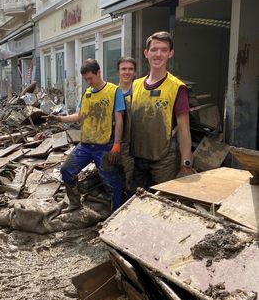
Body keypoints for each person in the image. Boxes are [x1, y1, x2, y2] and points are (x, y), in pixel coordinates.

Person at [47, 59, 125, 212]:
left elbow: (119, 119)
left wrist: (116, 144)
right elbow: (80, 116)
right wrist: (59, 119)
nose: (88, 82)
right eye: (85, 79)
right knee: (67, 170)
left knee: (111, 181)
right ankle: (75, 203)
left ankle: (116, 212)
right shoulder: (87, 94)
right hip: (86, 145)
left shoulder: (114, 91)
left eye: (90, 78)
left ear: (99, 72)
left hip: (105, 146)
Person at [130, 31, 192, 189]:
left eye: (164, 50)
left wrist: (186, 163)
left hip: (164, 160)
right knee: (138, 203)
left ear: (171, 53)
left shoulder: (177, 87)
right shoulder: (135, 85)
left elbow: (184, 129)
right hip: (137, 157)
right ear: (146, 53)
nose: (158, 54)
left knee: (164, 203)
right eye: (154, 49)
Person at [117, 57, 137, 196]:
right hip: (116, 144)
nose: (127, 72)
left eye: (130, 69)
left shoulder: (140, 92)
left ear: (135, 72)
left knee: (132, 178)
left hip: (136, 144)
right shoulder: (112, 92)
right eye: (124, 68)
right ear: (118, 71)